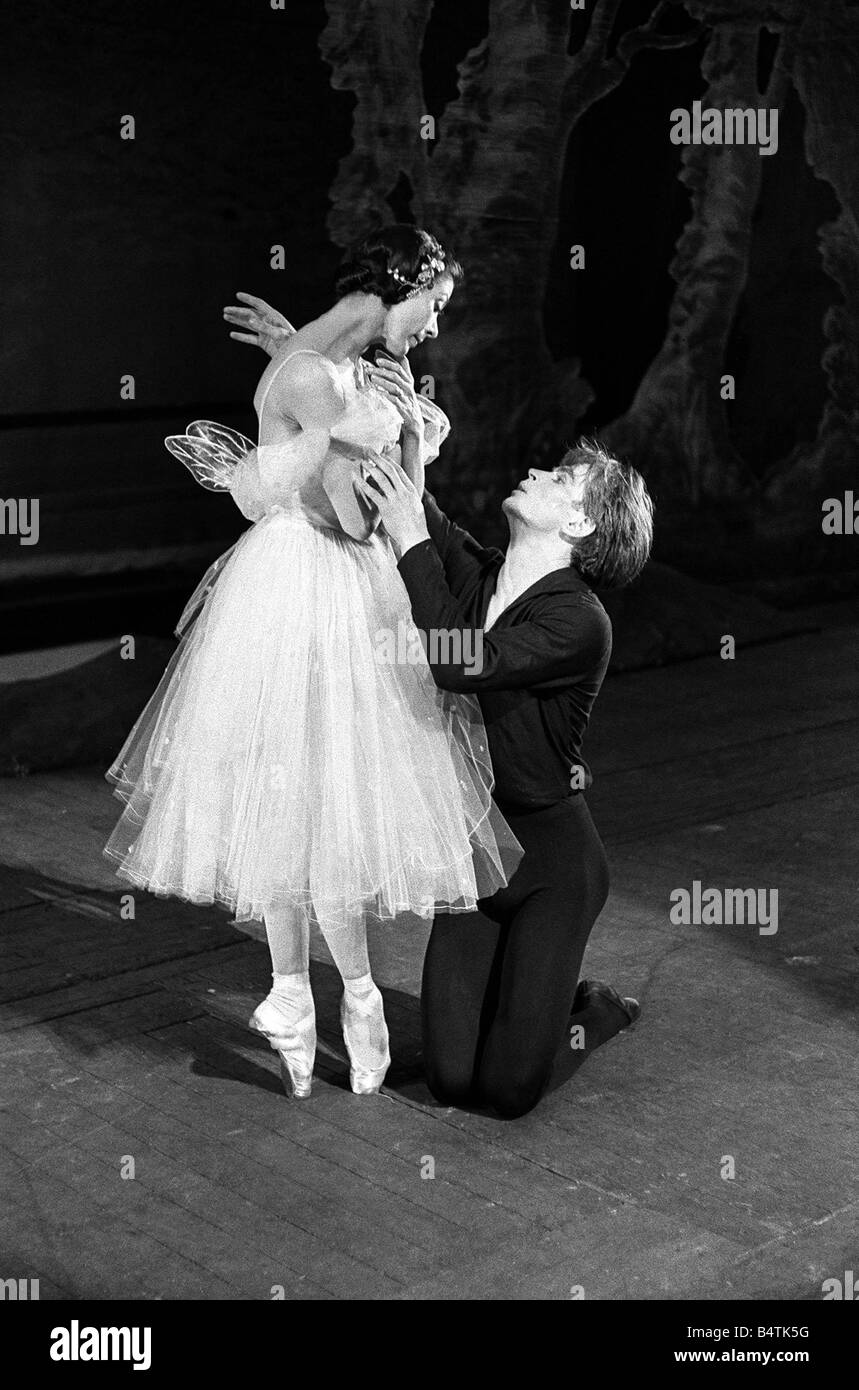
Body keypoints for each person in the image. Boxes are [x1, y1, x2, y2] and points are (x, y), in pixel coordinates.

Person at [103, 225, 522, 1101]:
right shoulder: (330, 380)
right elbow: (357, 520)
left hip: (283, 588)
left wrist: (367, 406)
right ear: (403, 285)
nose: (434, 327)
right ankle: (351, 996)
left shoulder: (318, 365)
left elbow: (305, 383)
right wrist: (406, 440)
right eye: (433, 307)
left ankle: (294, 994)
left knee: (291, 799)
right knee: (332, 797)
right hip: (321, 592)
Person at [358, 441, 653, 1119]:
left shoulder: (578, 621)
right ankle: (522, 1004)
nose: (533, 471)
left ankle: (599, 1011)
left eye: (558, 478)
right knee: (450, 1083)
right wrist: (398, 413)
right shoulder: (480, 574)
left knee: (505, 1094)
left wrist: (407, 540)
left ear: (578, 524)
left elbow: (459, 662)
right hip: (479, 862)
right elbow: (417, 504)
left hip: (553, 870)